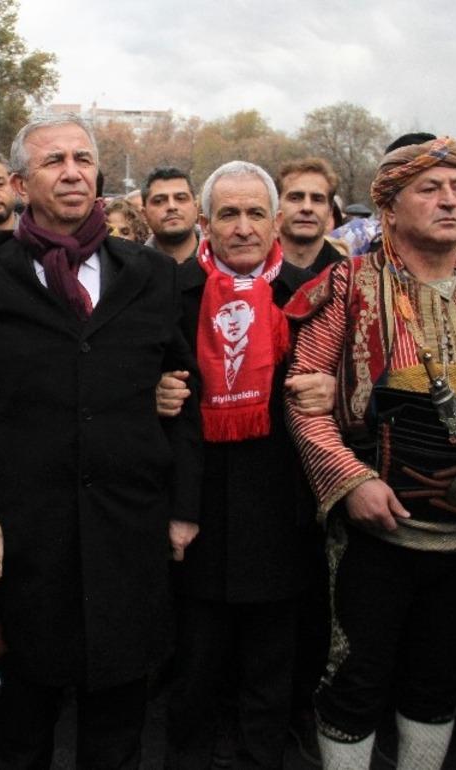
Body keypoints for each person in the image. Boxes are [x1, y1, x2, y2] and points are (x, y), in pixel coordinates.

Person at [0, 113, 202, 768]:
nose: (73, 171)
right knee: (24, 720)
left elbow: (184, 390)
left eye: (83, 159)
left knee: (117, 722)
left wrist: (184, 507)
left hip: (125, 529)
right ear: (21, 182)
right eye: (55, 161)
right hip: (25, 535)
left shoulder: (147, 272)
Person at [285, 137, 456, 769]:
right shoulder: (348, 285)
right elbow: (306, 398)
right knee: (355, 676)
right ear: (388, 204)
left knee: (441, 676)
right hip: (374, 532)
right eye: (431, 189)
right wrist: (349, 481)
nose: (451, 201)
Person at [163, 161, 315, 768]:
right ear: (206, 223)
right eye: (229, 213)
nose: (244, 227)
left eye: (256, 213)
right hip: (199, 504)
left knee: (271, 660)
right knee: (196, 659)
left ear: (276, 220)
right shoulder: (170, 293)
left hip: (282, 501)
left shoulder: (312, 292)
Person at [276, 157, 344, 274]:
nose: (307, 208)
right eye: (295, 198)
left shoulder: (350, 280)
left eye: (317, 199)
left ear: (330, 212)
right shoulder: (249, 273)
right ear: (276, 207)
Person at [142, 166, 201, 263]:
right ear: (144, 214)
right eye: (159, 201)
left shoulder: (223, 260)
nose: (172, 206)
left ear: (196, 208)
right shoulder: (132, 269)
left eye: (181, 198)